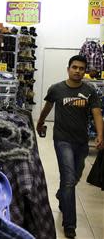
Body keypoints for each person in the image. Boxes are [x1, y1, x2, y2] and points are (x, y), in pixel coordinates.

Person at [37, 55, 104, 238]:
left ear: (85, 71)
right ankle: (69, 224)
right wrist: (40, 122)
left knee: (75, 176)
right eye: (74, 67)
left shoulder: (90, 91)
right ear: (68, 69)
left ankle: (61, 195)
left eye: (81, 68)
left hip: (81, 142)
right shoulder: (56, 89)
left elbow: (97, 114)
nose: (77, 71)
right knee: (68, 179)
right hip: (62, 140)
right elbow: (47, 107)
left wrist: (100, 135)